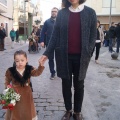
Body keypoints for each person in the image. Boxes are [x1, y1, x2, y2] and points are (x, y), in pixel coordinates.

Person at [39, 0, 97, 120]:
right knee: (66, 84)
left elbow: (93, 36)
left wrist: (88, 52)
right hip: (64, 56)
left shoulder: (90, 13)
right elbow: (55, 35)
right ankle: (68, 110)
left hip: (81, 57)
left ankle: (77, 112)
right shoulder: (62, 13)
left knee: (79, 85)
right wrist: (47, 53)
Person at [4, 50, 44, 120]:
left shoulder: (29, 69)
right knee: (16, 111)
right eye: (17, 61)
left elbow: (37, 73)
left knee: (26, 110)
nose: (20, 63)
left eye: (22, 60)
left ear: (26, 60)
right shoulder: (10, 71)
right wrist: (8, 89)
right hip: (15, 94)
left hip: (26, 94)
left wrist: (41, 66)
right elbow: (7, 81)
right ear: (14, 61)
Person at [40, 7, 59, 80]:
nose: (53, 12)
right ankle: (52, 73)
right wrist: (42, 41)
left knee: (59, 59)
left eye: (55, 11)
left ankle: (59, 72)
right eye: (52, 11)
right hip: (49, 43)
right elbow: (42, 32)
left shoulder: (60, 21)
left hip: (58, 43)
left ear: (57, 13)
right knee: (50, 59)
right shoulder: (47, 22)